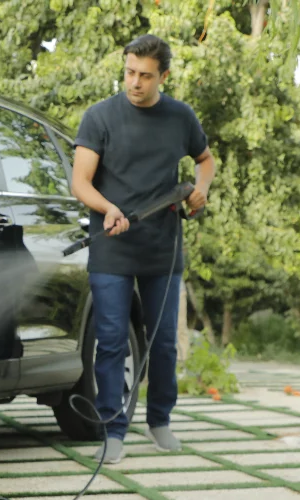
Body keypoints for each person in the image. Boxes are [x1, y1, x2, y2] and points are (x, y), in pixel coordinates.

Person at [72, 34, 216, 463]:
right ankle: (113, 429)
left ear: (163, 77)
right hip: (112, 246)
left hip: (163, 247)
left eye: (145, 76)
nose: (135, 82)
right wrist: (107, 207)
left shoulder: (180, 117)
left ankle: (160, 422)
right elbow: (80, 182)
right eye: (130, 72)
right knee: (112, 339)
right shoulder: (98, 118)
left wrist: (201, 190)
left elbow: (204, 160)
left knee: (164, 342)